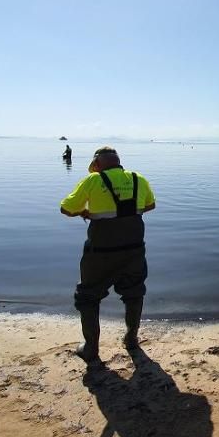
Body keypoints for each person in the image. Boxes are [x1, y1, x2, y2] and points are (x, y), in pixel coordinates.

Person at [60, 146, 156, 364]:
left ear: (97, 163)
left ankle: (91, 348)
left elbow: (66, 208)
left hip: (100, 254)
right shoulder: (138, 178)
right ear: (118, 162)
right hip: (134, 251)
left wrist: (86, 211)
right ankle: (131, 339)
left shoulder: (93, 180)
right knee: (134, 292)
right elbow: (150, 205)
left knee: (88, 296)